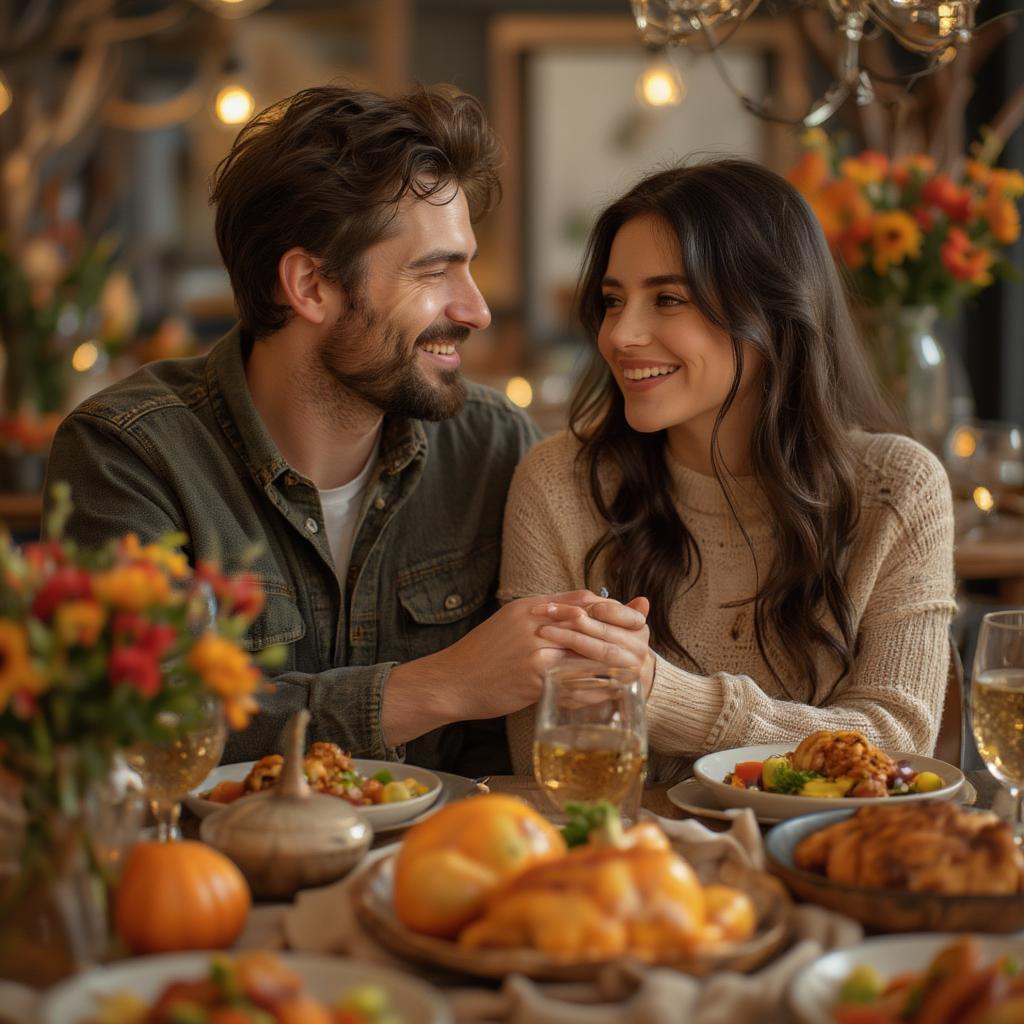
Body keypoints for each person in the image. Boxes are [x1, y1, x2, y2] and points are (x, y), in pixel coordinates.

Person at [44, 84, 646, 775]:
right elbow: (142, 733)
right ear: (310, 286)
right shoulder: (129, 454)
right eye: (435, 271)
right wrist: (440, 685)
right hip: (211, 873)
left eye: (469, 266)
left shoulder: (492, 449)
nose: (477, 309)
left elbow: (520, 746)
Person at [500, 159, 956, 780]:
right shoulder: (557, 483)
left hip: (821, 862)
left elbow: (899, 742)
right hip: (627, 863)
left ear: (771, 311)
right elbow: (543, 756)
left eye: (668, 298)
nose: (620, 334)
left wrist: (661, 695)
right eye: (612, 301)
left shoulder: (898, 488)